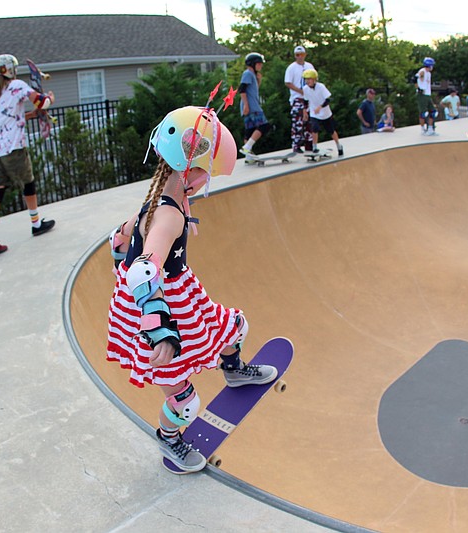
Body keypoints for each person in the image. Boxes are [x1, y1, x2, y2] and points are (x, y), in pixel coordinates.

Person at [106, 104, 278, 473]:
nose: (206, 180)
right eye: (206, 172)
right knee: (185, 403)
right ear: (189, 169)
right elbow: (142, 272)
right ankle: (169, 438)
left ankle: (232, 369)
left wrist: (119, 243)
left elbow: (126, 233)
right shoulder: (168, 213)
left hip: (182, 295)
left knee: (235, 326)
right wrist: (161, 330)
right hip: (160, 308)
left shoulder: (161, 196)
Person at [0, 54, 55, 255]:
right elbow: (42, 102)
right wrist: (49, 98)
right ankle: (36, 223)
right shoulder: (17, 85)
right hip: (13, 148)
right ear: (10, 70)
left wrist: (31, 115)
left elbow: (8, 117)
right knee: (28, 183)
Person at [301, 69, 343, 155]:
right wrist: (305, 112)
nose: (307, 81)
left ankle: (338, 145)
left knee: (331, 131)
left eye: (309, 79)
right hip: (314, 113)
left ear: (314, 79)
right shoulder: (305, 89)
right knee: (314, 128)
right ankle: (315, 147)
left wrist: (320, 107)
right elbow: (305, 101)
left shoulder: (321, 87)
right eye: (306, 79)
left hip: (325, 113)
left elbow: (328, 100)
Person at [238, 53, 270, 160]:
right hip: (252, 107)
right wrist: (246, 105)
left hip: (250, 105)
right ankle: (247, 147)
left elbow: (252, 90)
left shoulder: (252, 75)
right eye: (259, 63)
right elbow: (242, 90)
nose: (261, 66)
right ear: (252, 64)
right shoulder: (248, 73)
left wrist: (258, 81)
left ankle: (248, 157)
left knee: (250, 131)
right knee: (264, 126)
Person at [284, 46, 316, 153]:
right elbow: (288, 82)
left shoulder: (309, 66)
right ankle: (296, 145)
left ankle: (309, 144)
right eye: (297, 55)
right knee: (298, 121)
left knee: (310, 121)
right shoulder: (291, 68)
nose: (300, 57)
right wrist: (300, 91)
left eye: (301, 55)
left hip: (308, 97)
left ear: (305, 55)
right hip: (297, 98)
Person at [415, 57, 438, 135]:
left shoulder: (428, 73)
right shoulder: (422, 71)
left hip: (428, 94)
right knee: (423, 113)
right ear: (429, 65)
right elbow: (414, 79)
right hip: (422, 95)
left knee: (433, 112)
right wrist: (419, 89)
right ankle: (422, 129)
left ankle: (430, 129)